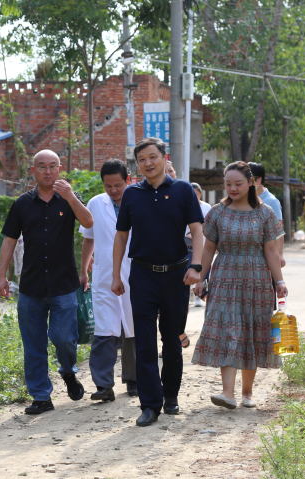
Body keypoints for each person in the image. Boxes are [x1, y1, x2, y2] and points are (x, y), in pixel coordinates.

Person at [111, 137, 204, 427]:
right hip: (142, 274)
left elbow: (197, 231)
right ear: (136, 164)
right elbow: (121, 236)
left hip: (177, 275)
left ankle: (171, 396)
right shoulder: (131, 195)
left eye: (153, 157)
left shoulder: (183, 190)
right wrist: (116, 275)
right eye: (142, 159)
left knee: (172, 340)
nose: (148, 163)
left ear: (164, 158)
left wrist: (196, 266)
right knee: (145, 341)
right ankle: (149, 404)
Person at [0, 150, 94, 415]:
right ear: (33, 171)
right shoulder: (22, 204)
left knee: (64, 339)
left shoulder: (69, 200)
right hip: (31, 286)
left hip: (63, 285)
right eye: (42, 167)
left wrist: (71, 196)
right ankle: (41, 396)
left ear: (60, 170)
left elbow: (88, 222)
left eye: (53, 166)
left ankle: (68, 372)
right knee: (34, 345)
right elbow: (9, 240)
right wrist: (2, 275)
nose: (48, 171)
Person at [192, 161, 288, 409]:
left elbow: (270, 250)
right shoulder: (217, 213)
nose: (232, 188)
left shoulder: (265, 213)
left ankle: (247, 393)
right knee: (228, 330)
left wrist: (279, 281)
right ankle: (227, 393)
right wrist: (201, 277)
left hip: (256, 280)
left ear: (251, 183)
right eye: (228, 184)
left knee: (251, 331)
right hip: (224, 278)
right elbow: (209, 248)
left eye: (238, 184)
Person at [79, 160, 137, 401]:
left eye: (118, 185)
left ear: (129, 179)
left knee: (134, 327)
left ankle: (134, 380)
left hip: (135, 272)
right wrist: (84, 268)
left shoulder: (139, 200)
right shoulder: (95, 203)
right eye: (108, 186)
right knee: (105, 328)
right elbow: (89, 238)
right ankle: (103, 385)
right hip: (104, 274)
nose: (113, 190)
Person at [248, 162, 285, 268]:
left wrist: (280, 254)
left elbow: (278, 229)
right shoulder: (243, 199)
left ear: (258, 180)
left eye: (248, 179)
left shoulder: (271, 201)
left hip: (266, 255)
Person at [189, 183, 212, 309]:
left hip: (203, 244)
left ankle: (200, 295)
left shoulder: (207, 207)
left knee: (203, 270)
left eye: (196, 194)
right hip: (188, 245)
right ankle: (192, 294)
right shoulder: (185, 206)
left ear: (201, 193)